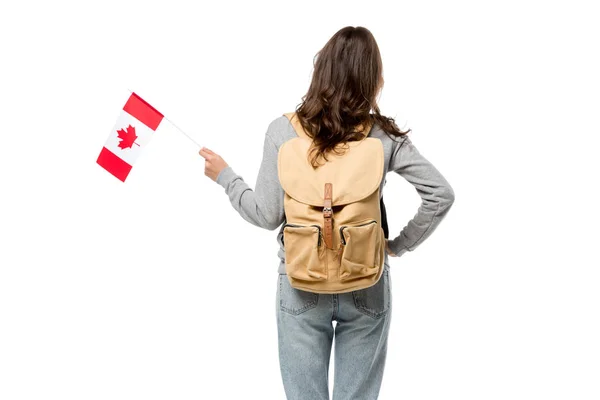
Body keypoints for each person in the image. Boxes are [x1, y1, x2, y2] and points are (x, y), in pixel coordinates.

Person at [198, 26, 455, 400]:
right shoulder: (383, 136)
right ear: (373, 79)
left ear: (322, 71)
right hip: (367, 278)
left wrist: (226, 177)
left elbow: (266, 215)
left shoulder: (282, 132)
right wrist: (396, 246)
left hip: (300, 283)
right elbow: (440, 194)